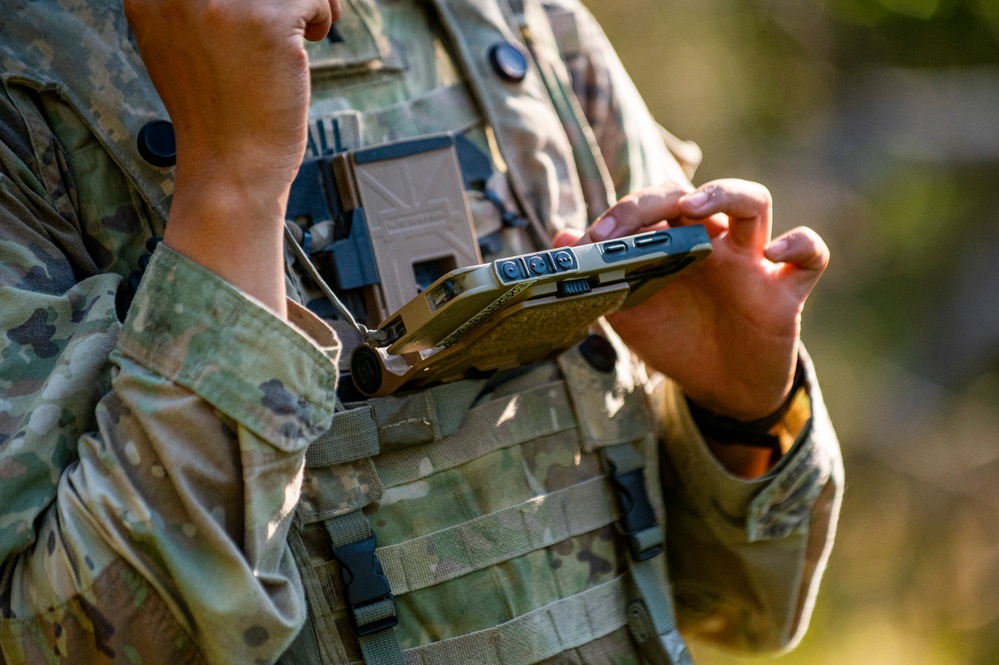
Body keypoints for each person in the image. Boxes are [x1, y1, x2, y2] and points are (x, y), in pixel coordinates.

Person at [0, 0, 843, 663]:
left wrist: (743, 415)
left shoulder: (517, 24)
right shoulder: (29, 81)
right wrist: (229, 187)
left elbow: (740, 609)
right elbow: (64, 639)